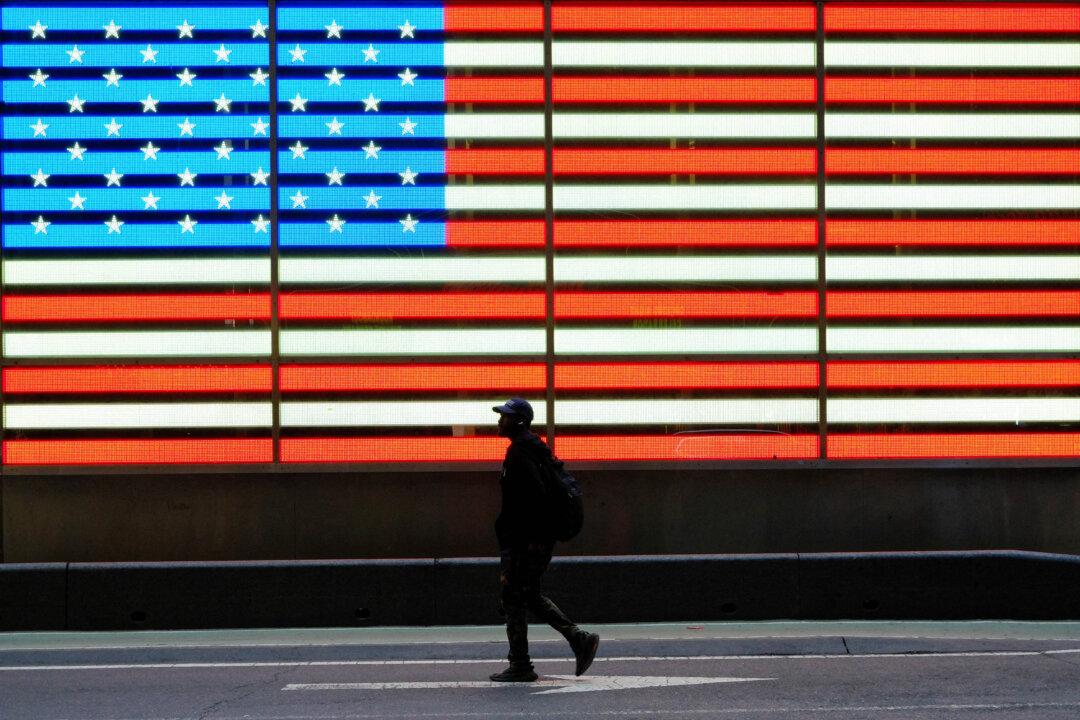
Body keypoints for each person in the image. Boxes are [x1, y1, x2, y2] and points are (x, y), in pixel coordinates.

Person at [488, 397, 599, 683]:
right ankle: (578, 639)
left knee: (513, 596)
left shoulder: (520, 454)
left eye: (506, 417)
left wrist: (528, 540)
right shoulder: (534, 450)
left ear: (520, 421)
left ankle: (522, 664)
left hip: (525, 541)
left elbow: (533, 501)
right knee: (528, 595)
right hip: (533, 539)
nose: (500, 421)